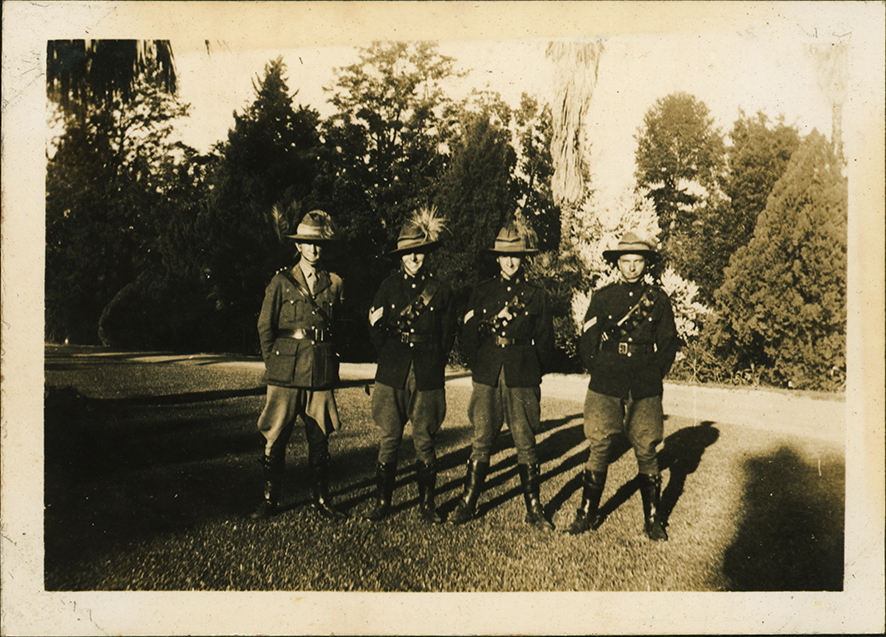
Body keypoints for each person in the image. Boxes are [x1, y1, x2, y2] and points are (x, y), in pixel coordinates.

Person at [568, 231, 679, 541]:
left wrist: (653, 371)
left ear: (646, 264)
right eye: (626, 261)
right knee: (599, 443)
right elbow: (587, 339)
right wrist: (598, 366)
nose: (632, 268)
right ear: (617, 263)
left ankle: (653, 520)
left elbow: (668, 343)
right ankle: (587, 514)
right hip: (606, 378)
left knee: (646, 446)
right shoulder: (602, 297)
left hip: (644, 380)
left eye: (638, 261)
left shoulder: (658, 300)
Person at [449, 218, 556, 530]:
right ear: (496, 258)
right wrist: (481, 362)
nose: (510, 261)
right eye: (505, 255)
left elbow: (547, 343)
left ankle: (534, 509)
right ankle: (468, 501)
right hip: (488, 374)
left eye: (516, 256)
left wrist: (532, 369)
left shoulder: (537, 295)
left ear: (523, 259)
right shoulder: (482, 292)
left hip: (522, 374)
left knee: (525, 440)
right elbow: (468, 335)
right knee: (482, 438)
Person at [250, 210, 347, 521]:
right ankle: (269, 499)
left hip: (319, 372)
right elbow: (265, 327)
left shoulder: (334, 283)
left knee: (320, 437)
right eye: (307, 243)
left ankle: (322, 500)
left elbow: (339, 330)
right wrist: (275, 364)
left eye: (318, 243)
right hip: (285, 372)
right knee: (275, 435)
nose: (313, 249)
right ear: (299, 247)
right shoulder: (280, 281)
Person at [364, 207, 456, 524]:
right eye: (408, 253)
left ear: (425, 253)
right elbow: (375, 329)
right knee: (389, 437)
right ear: (400, 255)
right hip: (393, 371)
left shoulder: (441, 290)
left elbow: (447, 335)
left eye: (419, 252)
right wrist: (392, 354)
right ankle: (382, 502)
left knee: (425, 439)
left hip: (427, 371)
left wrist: (432, 361)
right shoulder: (388, 287)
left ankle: (427, 505)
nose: (414, 258)